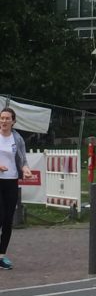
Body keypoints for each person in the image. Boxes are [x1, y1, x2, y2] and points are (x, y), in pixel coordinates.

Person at [0, 107, 32, 269]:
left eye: (7, 118)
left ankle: (2, 256)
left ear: (13, 121)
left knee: (7, 221)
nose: (4, 121)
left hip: (11, 181)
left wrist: (25, 169)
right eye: (2, 118)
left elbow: (23, 160)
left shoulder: (17, 138)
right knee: (0, 215)